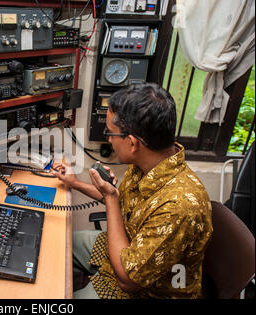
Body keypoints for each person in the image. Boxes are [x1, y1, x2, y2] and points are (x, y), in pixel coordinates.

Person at [52, 83, 213, 299]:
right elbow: (118, 199)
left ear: (132, 143)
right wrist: (74, 183)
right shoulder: (149, 163)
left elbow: (128, 280)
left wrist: (109, 197)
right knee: (55, 244)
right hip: (126, 247)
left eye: (110, 133)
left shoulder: (179, 208)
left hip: (143, 289)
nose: (108, 139)